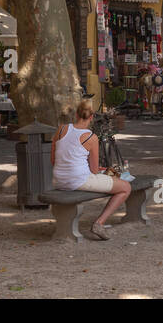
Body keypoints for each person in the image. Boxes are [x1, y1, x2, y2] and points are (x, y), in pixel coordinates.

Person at [51, 99, 131, 241]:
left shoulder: (61, 129)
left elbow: (53, 160)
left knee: (111, 177)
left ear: (76, 114)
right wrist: (105, 170)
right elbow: (94, 170)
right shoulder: (91, 137)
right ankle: (99, 223)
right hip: (78, 180)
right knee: (125, 187)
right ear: (92, 117)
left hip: (58, 180)